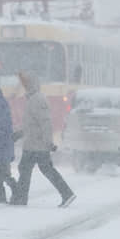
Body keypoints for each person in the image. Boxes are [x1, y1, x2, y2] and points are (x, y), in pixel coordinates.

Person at [12, 71, 75, 208]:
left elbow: (45, 123)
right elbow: (31, 124)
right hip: (33, 143)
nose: (25, 86)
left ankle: (66, 194)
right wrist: (19, 134)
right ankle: (66, 194)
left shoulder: (37, 100)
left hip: (37, 145)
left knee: (31, 169)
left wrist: (48, 143)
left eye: (27, 84)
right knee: (32, 169)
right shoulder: (33, 99)